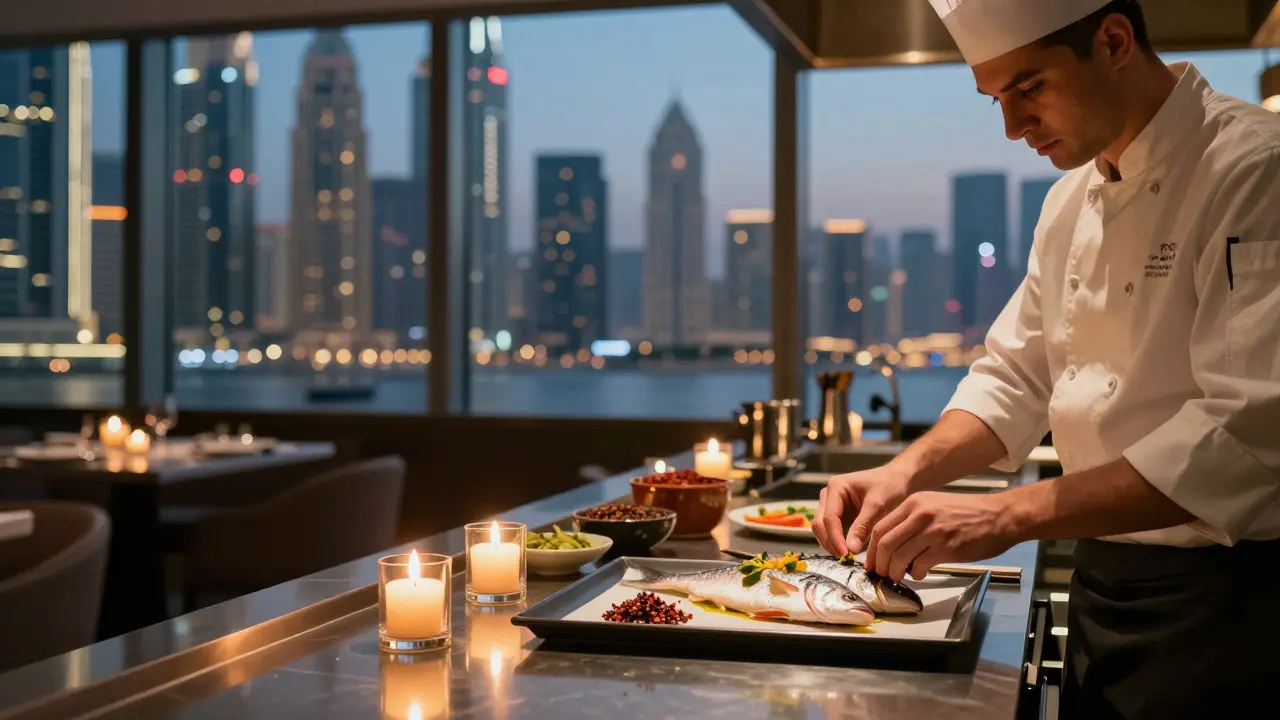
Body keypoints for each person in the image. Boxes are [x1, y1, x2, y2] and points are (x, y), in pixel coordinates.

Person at [812, 1, 1280, 717]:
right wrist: (900, 474)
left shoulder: (1255, 169)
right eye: (996, 99)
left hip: (1235, 608)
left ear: (1114, 41)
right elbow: (1015, 377)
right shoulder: (1068, 201)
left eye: (1028, 87)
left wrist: (1004, 515)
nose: (1012, 126)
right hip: (1103, 585)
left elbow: (1245, 435)